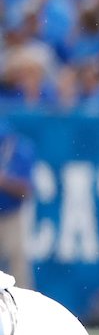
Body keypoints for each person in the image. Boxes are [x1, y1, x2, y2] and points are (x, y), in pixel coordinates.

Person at [0, 123, 36, 289]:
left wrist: (6, 182)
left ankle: (24, 307)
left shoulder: (21, 151)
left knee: (17, 262)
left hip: (10, 215)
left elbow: (27, 190)